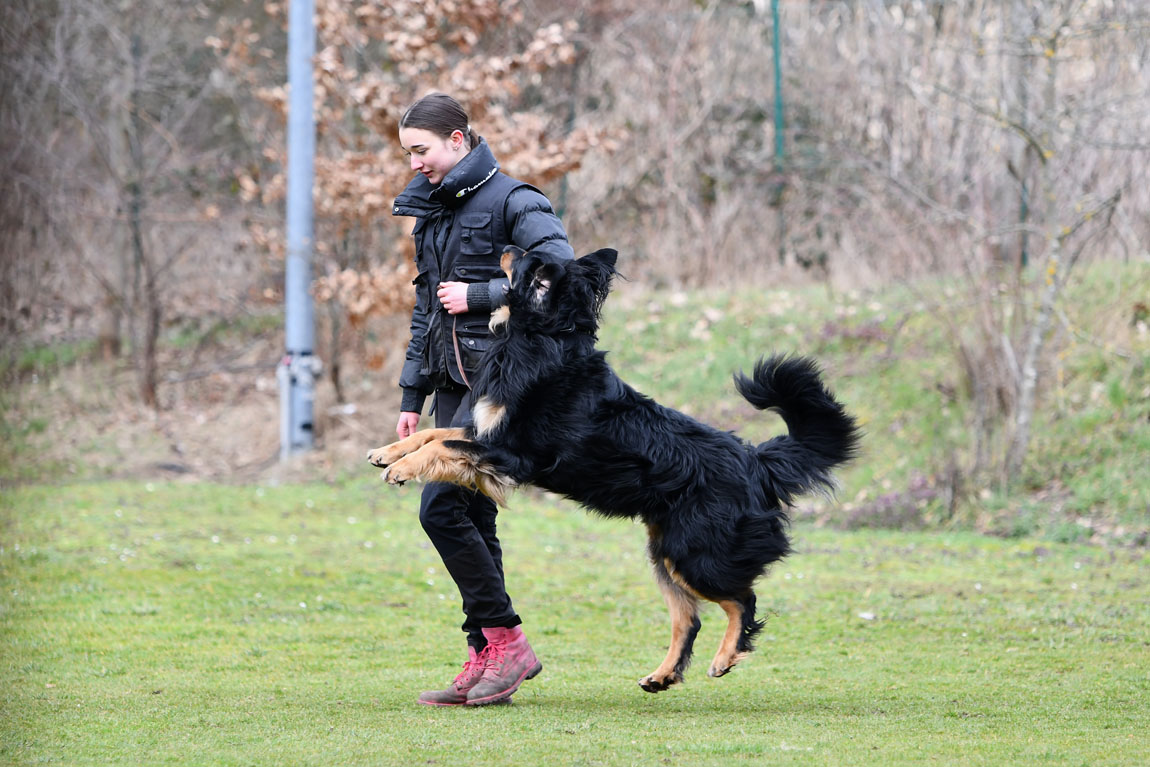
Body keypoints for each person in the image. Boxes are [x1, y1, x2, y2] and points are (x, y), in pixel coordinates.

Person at [391, 93, 575, 706]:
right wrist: (411, 392)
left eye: (422, 150)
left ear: (459, 140)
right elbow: (425, 309)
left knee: (438, 509)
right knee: (471, 516)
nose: (415, 163)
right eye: (408, 153)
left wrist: (482, 293)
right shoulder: (433, 209)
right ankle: (486, 655)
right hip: (449, 384)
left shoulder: (516, 200)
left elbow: (559, 275)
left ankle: (510, 644)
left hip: (500, 384)